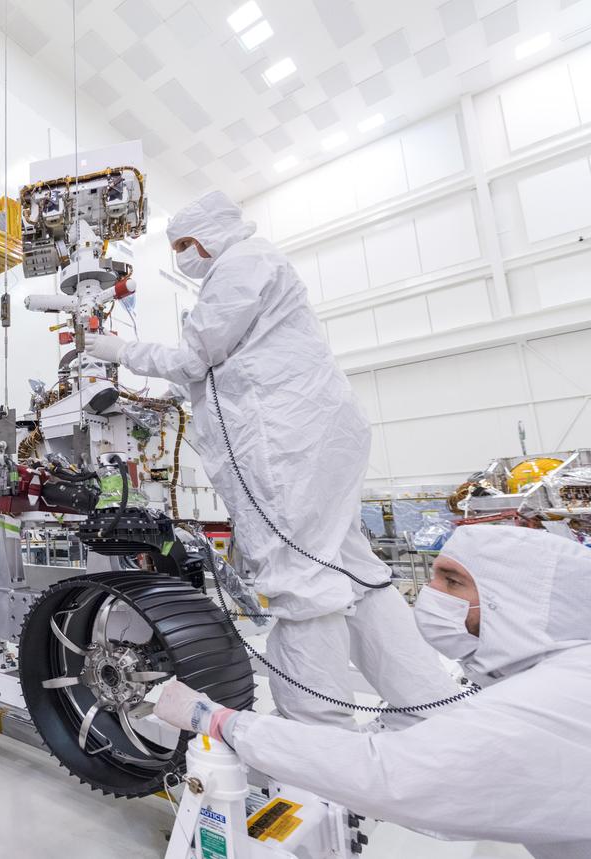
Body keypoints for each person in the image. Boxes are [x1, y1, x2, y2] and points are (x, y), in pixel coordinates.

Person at [86, 190, 455, 728]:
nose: (182, 258)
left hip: (284, 443)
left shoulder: (241, 265)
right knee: (353, 571)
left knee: (299, 581)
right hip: (312, 434)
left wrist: (122, 353)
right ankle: (427, 709)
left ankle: (316, 740)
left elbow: (194, 357)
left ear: (209, 235)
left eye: (185, 245)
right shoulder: (259, 265)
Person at [153, 525, 591, 859]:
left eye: (452, 582)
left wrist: (219, 720)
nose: (429, 596)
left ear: (514, 601)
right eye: (434, 576)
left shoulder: (556, 701)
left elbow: (391, 776)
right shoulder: (553, 670)